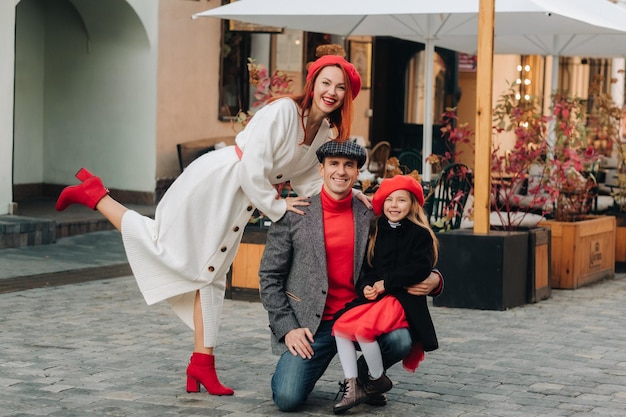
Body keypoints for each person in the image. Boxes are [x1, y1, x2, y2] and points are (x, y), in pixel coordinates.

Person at [54, 54, 366, 396]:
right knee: (163, 245)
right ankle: (96, 195)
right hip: (217, 184)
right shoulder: (283, 112)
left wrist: (352, 196)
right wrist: (277, 206)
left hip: (240, 202)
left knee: (212, 275)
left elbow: (310, 182)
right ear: (313, 83)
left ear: (347, 96)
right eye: (326, 83)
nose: (332, 91)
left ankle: (202, 364)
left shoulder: (323, 133)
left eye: (340, 87)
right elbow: (252, 168)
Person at [258, 140, 443, 413]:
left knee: (400, 339)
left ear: (357, 174)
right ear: (321, 169)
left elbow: (410, 247)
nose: (341, 172)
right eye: (333, 164)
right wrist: (287, 327)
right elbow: (269, 276)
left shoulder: (370, 214)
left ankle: (364, 381)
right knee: (287, 398)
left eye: (349, 166)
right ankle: (360, 381)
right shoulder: (294, 214)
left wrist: (436, 279)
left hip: (361, 312)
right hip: (312, 325)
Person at [331, 174, 439, 413]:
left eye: (401, 200)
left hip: (400, 300)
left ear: (412, 204)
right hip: (376, 298)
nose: (394, 205)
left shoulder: (419, 233)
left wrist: (386, 283)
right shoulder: (376, 230)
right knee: (340, 328)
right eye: (389, 200)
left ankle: (375, 378)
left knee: (363, 331)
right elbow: (368, 268)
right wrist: (367, 286)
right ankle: (354, 385)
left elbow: (420, 267)